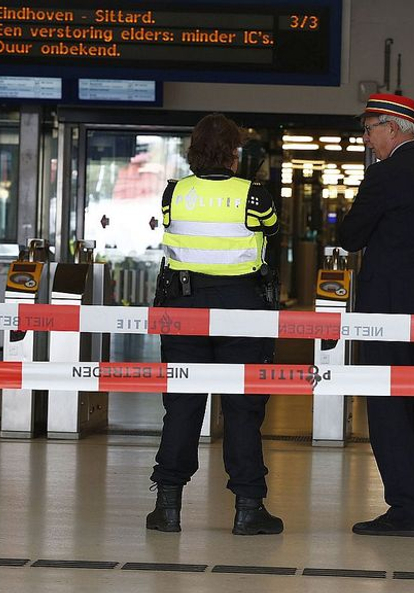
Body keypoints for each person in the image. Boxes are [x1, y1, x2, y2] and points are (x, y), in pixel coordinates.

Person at [146, 113, 283, 536]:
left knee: (182, 408)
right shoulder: (254, 196)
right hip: (242, 310)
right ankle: (248, 509)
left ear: (194, 150)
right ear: (235, 153)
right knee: (243, 411)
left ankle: (167, 506)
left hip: (184, 307)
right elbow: (271, 232)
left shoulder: (174, 194)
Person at [338, 93, 414, 537]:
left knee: (388, 408)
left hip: (386, 308)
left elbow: (351, 236)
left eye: (369, 130)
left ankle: (405, 509)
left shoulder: (383, 175)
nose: (367, 140)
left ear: (393, 127)